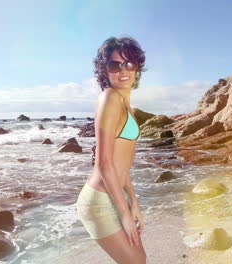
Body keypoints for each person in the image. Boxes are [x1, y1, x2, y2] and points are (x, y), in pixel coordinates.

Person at [77, 36, 147, 263]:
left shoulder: (126, 105)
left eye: (129, 63)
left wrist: (133, 203)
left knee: (140, 260)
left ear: (137, 67)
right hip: (99, 200)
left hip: (117, 194)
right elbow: (104, 162)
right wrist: (125, 214)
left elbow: (122, 164)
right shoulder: (109, 98)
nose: (123, 70)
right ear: (104, 70)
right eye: (114, 65)